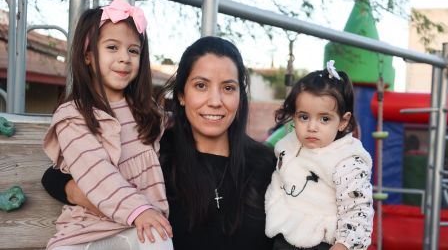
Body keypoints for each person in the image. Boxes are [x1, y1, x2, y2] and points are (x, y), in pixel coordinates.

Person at [42, 36, 276, 250]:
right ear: (182, 95)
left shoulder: (267, 164)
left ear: (239, 96)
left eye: (228, 88)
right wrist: (101, 201)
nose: (215, 101)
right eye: (201, 86)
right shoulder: (153, 150)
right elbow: (55, 177)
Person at [42, 0, 173, 250]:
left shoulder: (149, 115)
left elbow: (182, 127)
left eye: (133, 51)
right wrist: (138, 209)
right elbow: (97, 172)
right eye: (112, 47)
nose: (124, 58)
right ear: (89, 56)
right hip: (87, 233)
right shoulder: (74, 116)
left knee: (159, 239)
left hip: (138, 228)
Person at [265, 60, 374, 250]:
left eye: (324, 119)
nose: (312, 127)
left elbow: (358, 209)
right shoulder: (289, 146)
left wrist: (343, 245)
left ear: (343, 121)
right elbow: (279, 181)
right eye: (304, 117)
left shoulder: (346, 159)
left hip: (322, 242)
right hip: (284, 236)